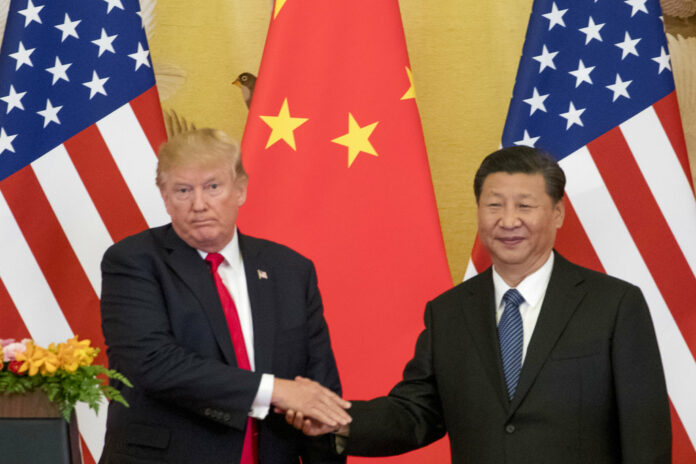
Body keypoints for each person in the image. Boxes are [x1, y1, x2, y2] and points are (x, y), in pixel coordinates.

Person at [288, 146, 671, 463]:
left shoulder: (615, 305)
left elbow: (645, 437)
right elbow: (415, 413)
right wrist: (338, 419)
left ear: (557, 213)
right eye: (493, 205)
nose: (507, 221)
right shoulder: (449, 312)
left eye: (524, 206)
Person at [99, 128, 350, 464]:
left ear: (240, 190)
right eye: (183, 190)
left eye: (213, 187)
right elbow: (153, 364)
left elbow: (318, 389)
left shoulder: (291, 269)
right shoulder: (132, 261)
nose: (199, 205)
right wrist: (275, 389)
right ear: (165, 197)